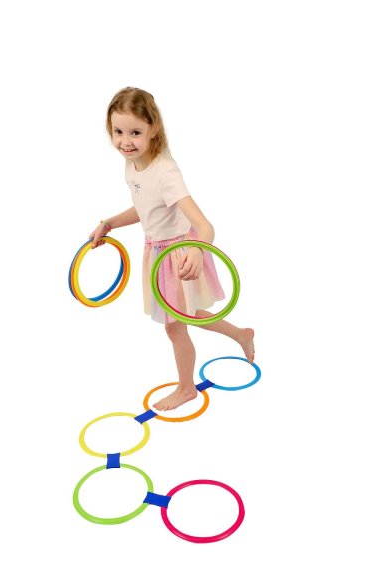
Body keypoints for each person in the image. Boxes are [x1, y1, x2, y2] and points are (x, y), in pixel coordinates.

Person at [89, 87, 255, 411]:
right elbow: (146, 208)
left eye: (135, 132)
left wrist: (197, 251)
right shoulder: (133, 164)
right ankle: (241, 334)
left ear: (153, 129)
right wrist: (108, 223)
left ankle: (186, 389)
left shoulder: (165, 173)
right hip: (156, 252)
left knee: (174, 326)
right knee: (186, 315)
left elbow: (205, 227)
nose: (125, 141)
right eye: (118, 132)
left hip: (178, 254)